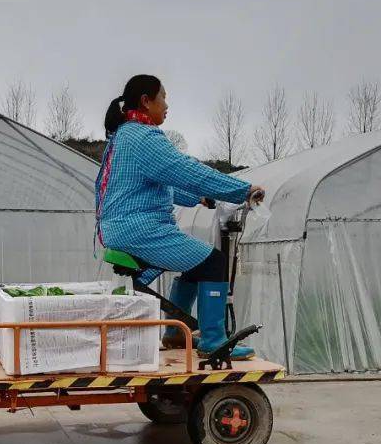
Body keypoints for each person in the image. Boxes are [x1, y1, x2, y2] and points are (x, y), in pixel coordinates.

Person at [95, 75, 265, 359]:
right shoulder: (143, 138)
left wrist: (199, 198)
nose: (167, 104)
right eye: (163, 97)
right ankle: (213, 341)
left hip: (120, 227)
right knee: (214, 263)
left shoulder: (124, 136)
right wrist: (242, 190)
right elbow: (185, 170)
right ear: (146, 101)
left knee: (198, 266)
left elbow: (156, 185)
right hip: (137, 228)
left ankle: (175, 334)